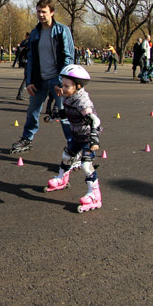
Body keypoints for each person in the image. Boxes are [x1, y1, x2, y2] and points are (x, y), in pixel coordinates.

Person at [10, 0, 74, 154]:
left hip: (57, 80)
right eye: (38, 11)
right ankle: (27, 139)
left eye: (44, 11)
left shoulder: (62, 30)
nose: (41, 15)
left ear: (52, 12)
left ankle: (73, 147)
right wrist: (30, 81)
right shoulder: (35, 33)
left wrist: (62, 82)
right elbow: (31, 58)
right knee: (32, 111)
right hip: (39, 79)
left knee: (64, 114)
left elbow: (68, 57)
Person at [43, 65, 102, 212]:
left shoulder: (82, 102)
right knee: (66, 157)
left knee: (86, 165)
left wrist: (94, 137)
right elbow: (67, 113)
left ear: (78, 86)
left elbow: (95, 120)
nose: (62, 89)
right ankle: (62, 179)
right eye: (62, 85)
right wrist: (55, 116)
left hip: (88, 136)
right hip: (77, 135)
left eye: (66, 86)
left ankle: (95, 195)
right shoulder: (68, 97)